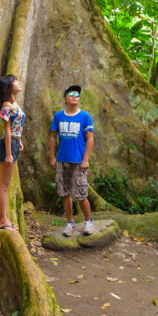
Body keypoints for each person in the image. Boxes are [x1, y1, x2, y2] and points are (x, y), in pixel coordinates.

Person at [49, 84, 95, 236]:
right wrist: (52, 157)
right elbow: (52, 136)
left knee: (81, 194)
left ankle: (88, 221)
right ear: (65, 98)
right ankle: (70, 223)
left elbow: (90, 139)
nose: (75, 96)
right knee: (65, 193)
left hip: (78, 161)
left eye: (77, 94)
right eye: (71, 94)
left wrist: (86, 159)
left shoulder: (85, 116)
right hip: (62, 160)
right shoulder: (58, 116)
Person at [0, 74, 25, 231]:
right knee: (3, 186)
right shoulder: (7, 105)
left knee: (5, 185)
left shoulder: (14, 103)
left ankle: (4, 219)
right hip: (8, 144)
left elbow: (15, 126)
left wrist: (18, 140)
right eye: (15, 81)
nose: (18, 83)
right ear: (8, 86)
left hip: (13, 142)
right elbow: (6, 130)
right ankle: (2, 220)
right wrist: (8, 153)